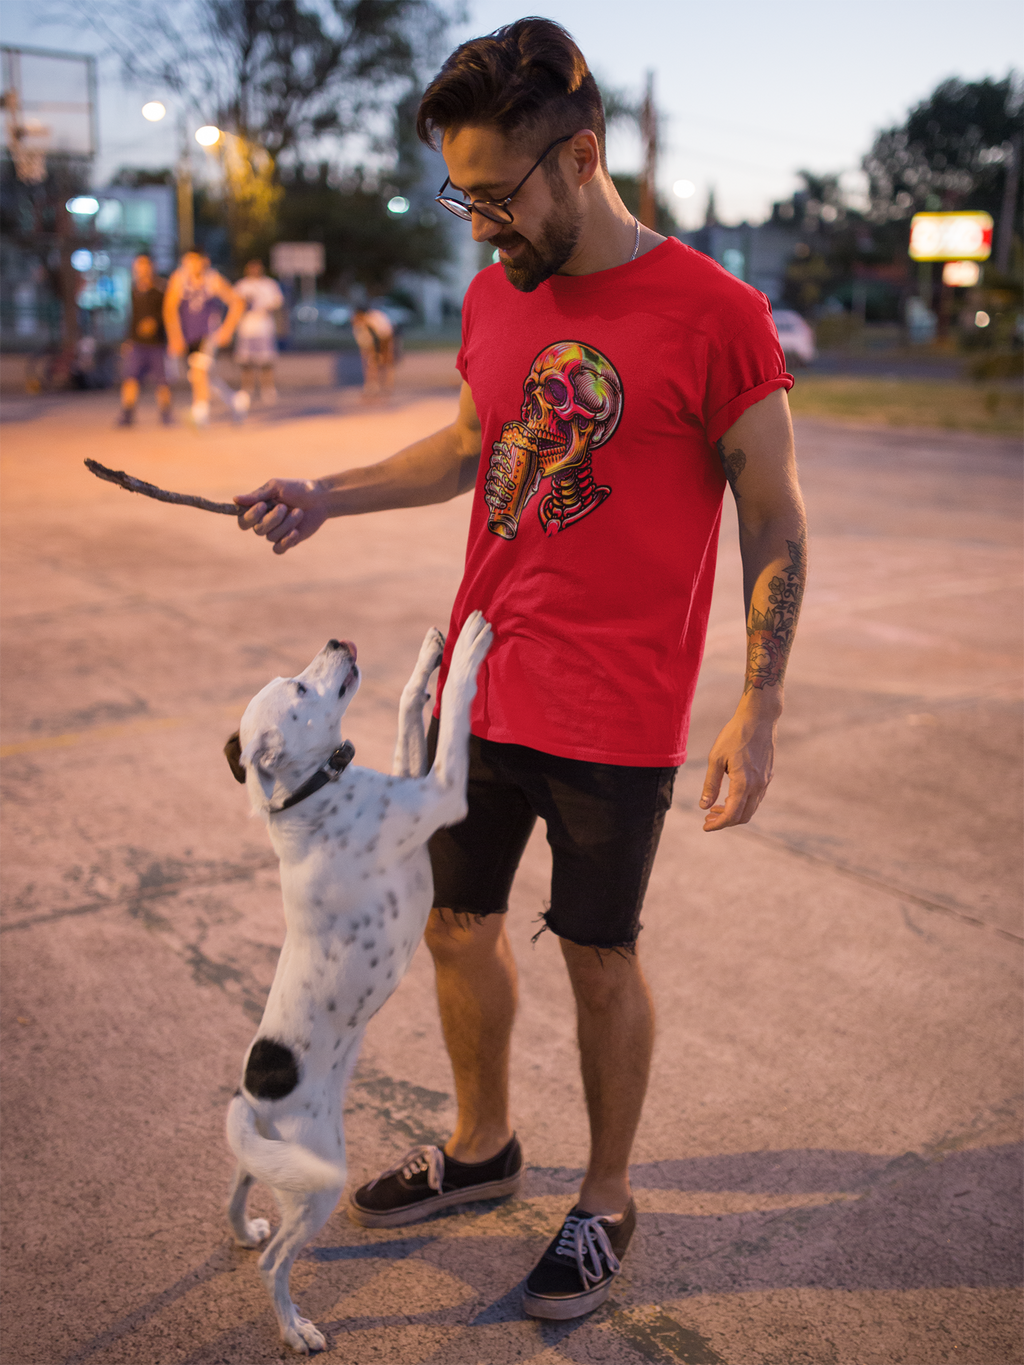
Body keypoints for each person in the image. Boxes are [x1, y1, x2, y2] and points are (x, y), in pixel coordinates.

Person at [234, 18, 806, 1323]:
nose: (477, 227)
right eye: (463, 195)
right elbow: (463, 444)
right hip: (478, 694)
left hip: (620, 713)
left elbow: (774, 515)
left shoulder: (717, 314)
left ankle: (604, 1197)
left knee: (598, 956)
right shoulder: (500, 295)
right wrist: (322, 492)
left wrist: (758, 704)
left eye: (495, 195)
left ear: (583, 158)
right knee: (455, 924)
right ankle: (483, 1146)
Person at [163, 250, 248, 426]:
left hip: (208, 335)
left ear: (205, 261)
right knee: (200, 377)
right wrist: (175, 336)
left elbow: (238, 302)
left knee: (198, 371)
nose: (191, 265)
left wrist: (227, 329)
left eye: (195, 261)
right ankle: (236, 401)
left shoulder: (213, 279)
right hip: (188, 335)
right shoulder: (179, 279)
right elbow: (169, 309)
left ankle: (199, 413)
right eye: (187, 262)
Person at [118, 254, 172, 426]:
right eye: (138, 266)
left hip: (157, 344)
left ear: (151, 267)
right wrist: (128, 340)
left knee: (162, 381)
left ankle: (166, 414)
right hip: (137, 343)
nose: (141, 269)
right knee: (130, 379)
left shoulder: (161, 289)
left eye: (144, 265)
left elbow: (168, 314)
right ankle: (127, 414)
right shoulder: (134, 289)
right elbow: (132, 317)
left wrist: (156, 322)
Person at [234, 258, 285, 404]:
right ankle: (247, 390)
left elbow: (277, 303)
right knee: (246, 362)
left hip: (264, 328)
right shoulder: (242, 285)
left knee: (266, 361)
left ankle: (268, 389)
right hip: (246, 329)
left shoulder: (269, 284)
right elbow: (234, 304)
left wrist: (265, 307)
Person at [350, 304, 396, 398]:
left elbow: (381, 336)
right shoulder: (358, 325)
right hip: (372, 342)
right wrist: (366, 353)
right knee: (370, 363)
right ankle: (372, 386)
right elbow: (362, 342)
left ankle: (387, 386)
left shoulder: (374, 319)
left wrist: (377, 353)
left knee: (385, 362)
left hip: (385, 338)